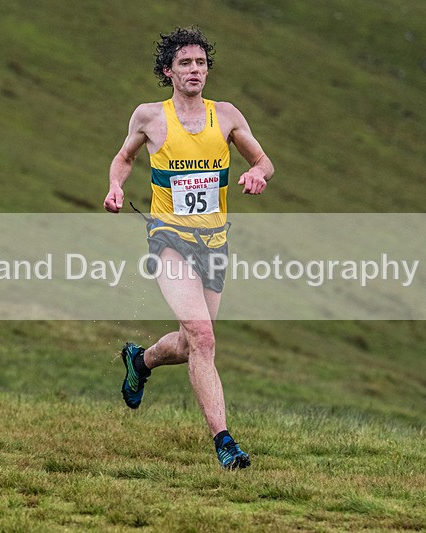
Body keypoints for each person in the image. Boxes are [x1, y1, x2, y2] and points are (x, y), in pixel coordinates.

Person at [104, 26, 274, 470]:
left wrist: (259, 173)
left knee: (187, 344)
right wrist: (115, 188)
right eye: (185, 63)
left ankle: (140, 361)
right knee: (203, 337)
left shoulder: (228, 115)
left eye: (200, 63)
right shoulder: (149, 117)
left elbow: (263, 159)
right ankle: (224, 442)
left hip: (214, 242)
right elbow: (125, 158)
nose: (195, 70)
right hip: (169, 239)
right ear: (168, 71)